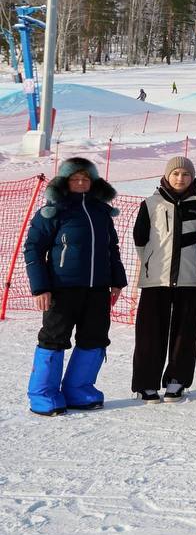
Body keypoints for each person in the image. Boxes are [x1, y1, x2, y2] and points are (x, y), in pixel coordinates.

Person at [24, 158, 127, 416]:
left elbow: (111, 249)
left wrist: (117, 280)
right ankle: (43, 394)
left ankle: (78, 390)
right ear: (65, 182)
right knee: (54, 338)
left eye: (85, 179)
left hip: (97, 289)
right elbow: (34, 249)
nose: (81, 183)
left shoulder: (101, 211)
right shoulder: (53, 210)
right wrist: (41, 288)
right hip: (62, 288)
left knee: (94, 338)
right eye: (75, 179)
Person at [131, 156, 196, 403]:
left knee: (185, 333)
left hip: (189, 278)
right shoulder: (151, 203)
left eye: (185, 174)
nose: (180, 178)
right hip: (156, 279)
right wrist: (150, 264)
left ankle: (177, 380)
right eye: (175, 174)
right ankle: (146, 383)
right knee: (150, 333)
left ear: (192, 178)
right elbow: (140, 239)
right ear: (167, 176)